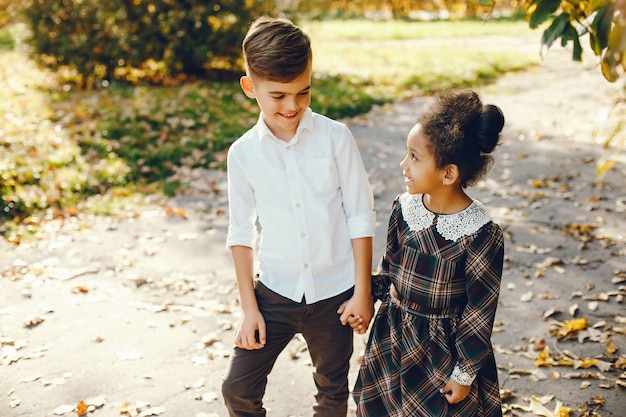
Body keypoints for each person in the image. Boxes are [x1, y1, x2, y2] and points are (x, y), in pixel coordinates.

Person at [221, 16, 376, 417]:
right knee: (238, 390)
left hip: (335, 294)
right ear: (249, 87)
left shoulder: (335, 138)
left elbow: (360, 216)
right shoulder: (243, 154)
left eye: (302, 92)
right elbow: (240, 231)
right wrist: (249, 308)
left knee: (332, 391)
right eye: (278, 96)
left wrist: (362, 291)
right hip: (274, 292)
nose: (291, 106)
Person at [350, 89, 506, 416]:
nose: (403, 164)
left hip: (441, 353)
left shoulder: (480, 233)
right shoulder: (403, 209)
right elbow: (390, 270)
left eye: (414, 157)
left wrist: (464, 374)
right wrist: (363, 297)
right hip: (392, 340)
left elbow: (479, 312)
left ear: (448, 173)